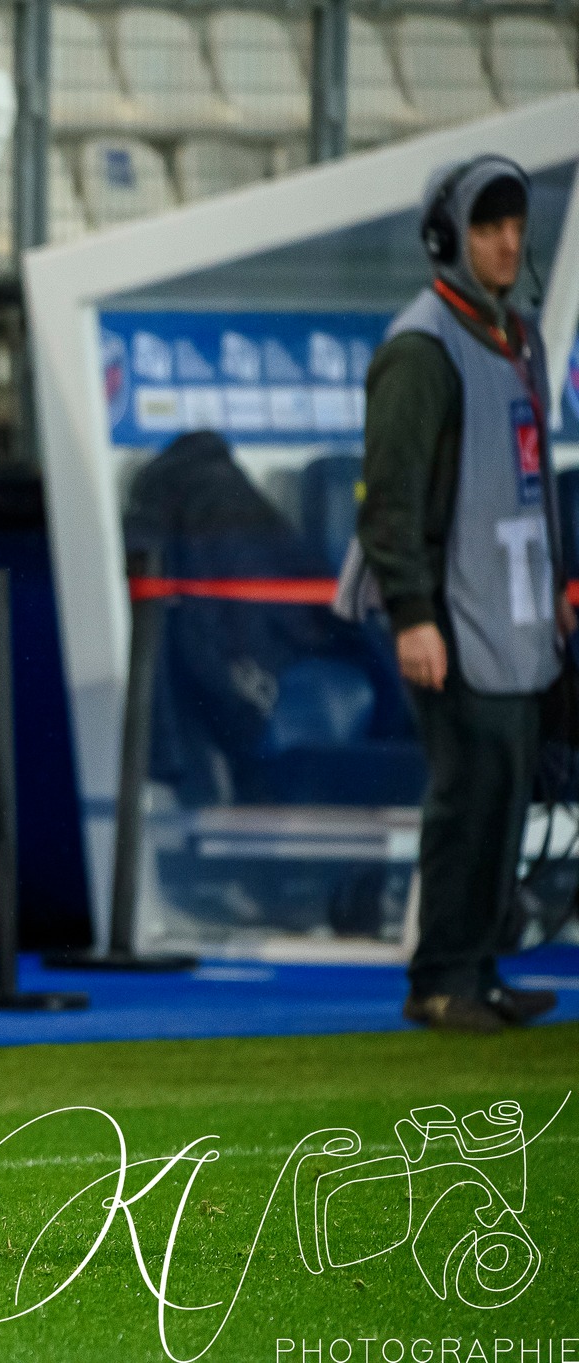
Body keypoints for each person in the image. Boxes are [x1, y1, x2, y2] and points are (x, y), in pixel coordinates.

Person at [357, 154, 562, 1033]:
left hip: (516, 611)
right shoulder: (421, 349)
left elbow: (530, 478)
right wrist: (412, 613)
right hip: (453, 612)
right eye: (487, 226)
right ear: (448, 238)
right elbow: (389, 498)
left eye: (515, 225)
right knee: (466, 797)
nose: (509, 242)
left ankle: (478, 967)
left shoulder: (520, 337)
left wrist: (555, 584)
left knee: (506, 797)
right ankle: (439, 977)